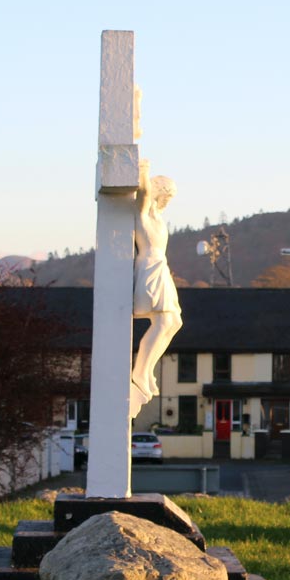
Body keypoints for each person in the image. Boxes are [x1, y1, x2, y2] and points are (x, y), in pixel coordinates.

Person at [129, 159, 182, 419]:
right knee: (162, 323)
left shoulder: (158, 218)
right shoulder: (142, 212)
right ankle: (140, 370)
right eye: (166, 194)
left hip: (161, 266)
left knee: (174, 322)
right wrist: (143, 171)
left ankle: (147, 369)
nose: (167, 200)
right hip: (149, 267)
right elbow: (145, 193)